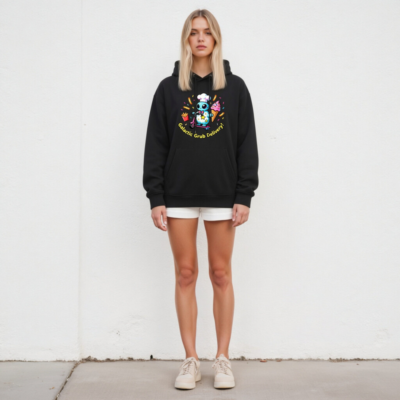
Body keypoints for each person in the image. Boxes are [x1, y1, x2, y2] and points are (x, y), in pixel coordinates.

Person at [142, 9, 259, 390]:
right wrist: (155, 196)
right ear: (186, 40)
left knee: (220, 274)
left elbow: (246, 144)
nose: (201, 38)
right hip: (178, 195)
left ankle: (222, 358)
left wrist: (244, 194)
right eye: (194, 33)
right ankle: (190, 359)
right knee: (186, 273)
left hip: (223, 195)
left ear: (216, 38)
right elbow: (156, 144)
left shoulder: (235, 89)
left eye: (207, 32)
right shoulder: (168, 89)